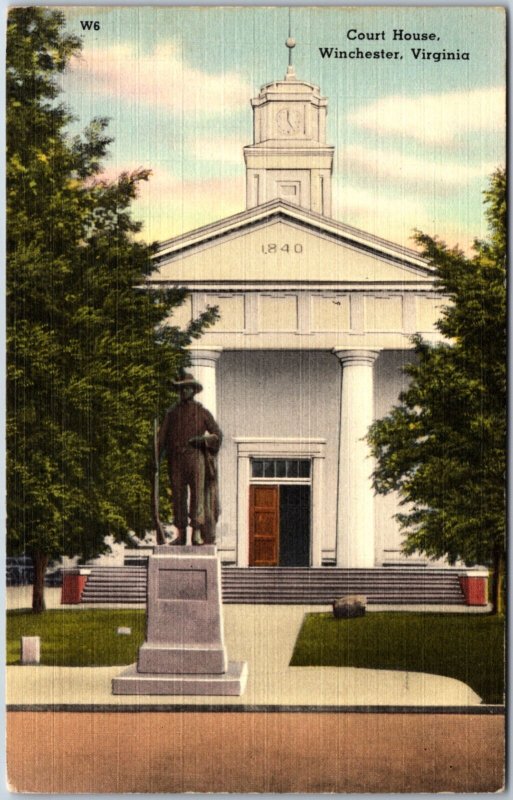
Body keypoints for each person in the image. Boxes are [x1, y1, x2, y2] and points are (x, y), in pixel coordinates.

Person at [158, 373, 222, 545]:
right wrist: (155, 459)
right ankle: (181, 533)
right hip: (176, 459)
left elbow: (217, 435)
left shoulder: (202, 413)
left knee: (197, 496)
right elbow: (161, 440)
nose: (184, 391)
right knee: (178, 496)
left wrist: (203, 440)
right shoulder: (171, 414)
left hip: (196, 457)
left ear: (193, 390)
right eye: (181, 388)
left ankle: (197, 531)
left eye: (187, 388)